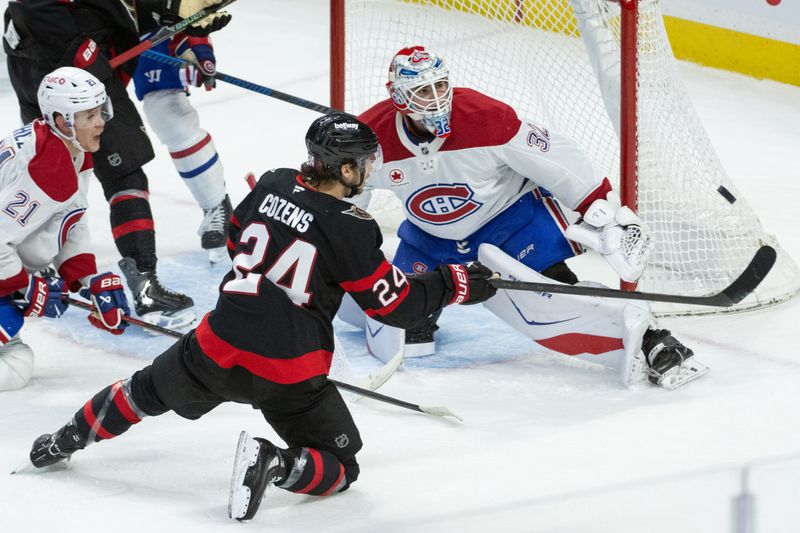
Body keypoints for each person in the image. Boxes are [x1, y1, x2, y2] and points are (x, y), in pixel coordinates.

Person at [27, 113, 498, 521]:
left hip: (215, 346)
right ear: (346, 167)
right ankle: (275, 463)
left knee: (142, 391)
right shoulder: (351, 227)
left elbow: (236, 239)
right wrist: (454, 283)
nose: (371, 170)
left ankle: (63, 440)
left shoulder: (274, 181)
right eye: (366, 162)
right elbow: (394, 306)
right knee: (341, 465)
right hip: (289, 373)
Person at [352, 45, 703, 388]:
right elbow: (348, 196)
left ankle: (651, 339)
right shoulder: (372, 139)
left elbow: (556, 158)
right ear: (398, 97)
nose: (437, 97)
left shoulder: (485, 118)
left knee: (553, 297)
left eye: (440, 86)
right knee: (393, 313)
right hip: (432, 241)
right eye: (422, 91)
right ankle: (425, 311)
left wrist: (603, 211)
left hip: (511, 224)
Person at [2, 0, 232, 327]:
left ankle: (54, 272)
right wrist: (89, 55)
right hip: (67, 61)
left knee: (68, 175)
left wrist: (188, 30)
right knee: (122, 175)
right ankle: (144, 285)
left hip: (46, 57)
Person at [0, 67, 131, 391]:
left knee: (15, 356)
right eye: (89, 115)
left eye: (100, 111)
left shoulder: (71, 152)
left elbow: (71, 221)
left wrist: (87, 280)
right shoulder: (49, 167)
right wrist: (27, 287)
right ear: (61, 121)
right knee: (15, 360)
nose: (100, 121)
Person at [132, 31, 232, 263]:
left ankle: (216, 205)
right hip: (95, 28)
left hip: (149, 26)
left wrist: (199, 51)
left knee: (167, 112)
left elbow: (185, 13)